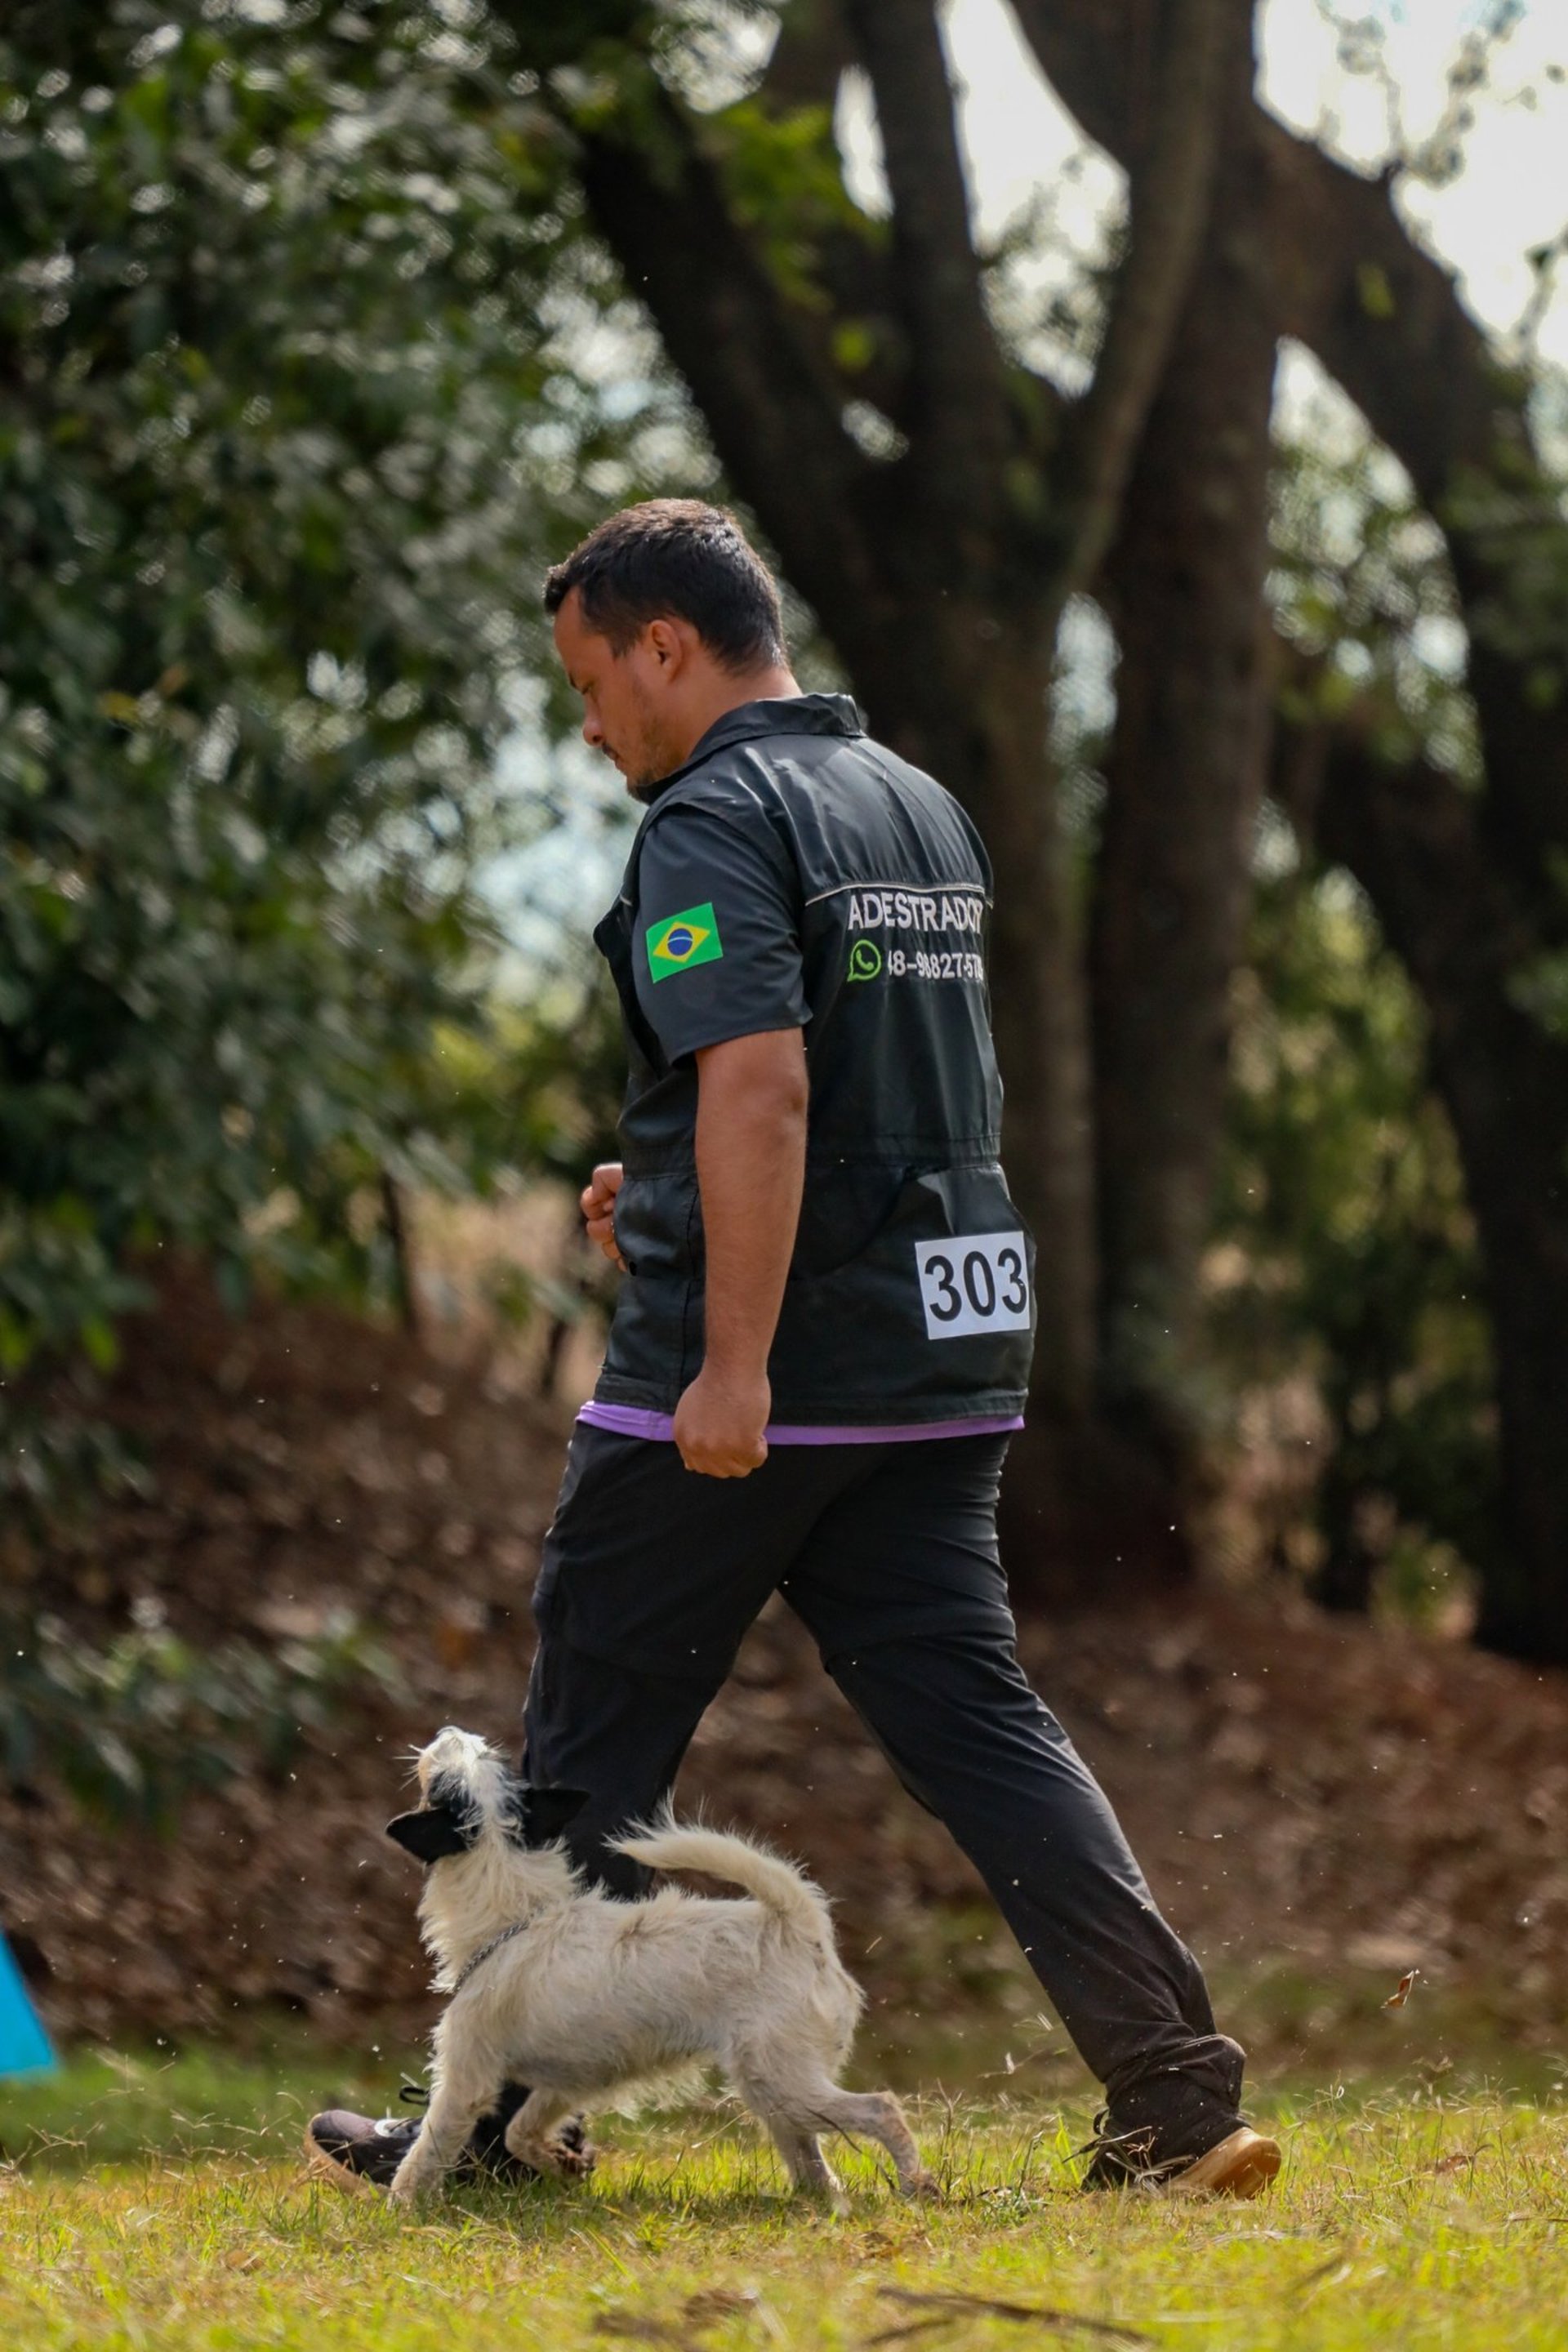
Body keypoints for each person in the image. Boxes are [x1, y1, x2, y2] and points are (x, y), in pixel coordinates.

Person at [308, 500, 1280, 2198]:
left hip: (774, 1367)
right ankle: (1177, 2091)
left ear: (665, 645)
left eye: (593, 682)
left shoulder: (713, 814)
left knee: (590, 1734)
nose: (592, 724)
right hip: (944, 1350)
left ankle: (497, 2133)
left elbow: (767, 1081)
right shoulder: (912, 803)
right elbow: (864, 1085)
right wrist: (675, 1189)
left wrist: (730, 1350)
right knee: (981, 1725)